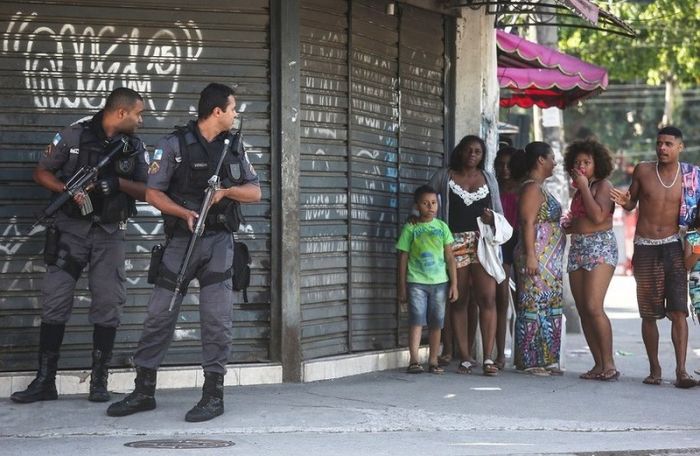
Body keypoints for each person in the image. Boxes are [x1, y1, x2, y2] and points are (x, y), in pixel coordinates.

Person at [107, 83, 262, 421]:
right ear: (217, 111)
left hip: (219, 243)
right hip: (181, 242)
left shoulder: (234, 147)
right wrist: (184, 213)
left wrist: (226, 193)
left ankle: (213, 395)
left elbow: (255, 192)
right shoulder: (173, 145)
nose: (236, 115)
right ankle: (144, 390)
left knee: (217, 320)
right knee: (159, 315)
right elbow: (152, 194)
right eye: (233, 108)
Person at [11, 88, 148, 404]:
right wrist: (67, 189)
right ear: (121, 113)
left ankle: (99, 381)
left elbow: (147, 191)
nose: (141, 121)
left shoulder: (134, 147)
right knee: (55, 299)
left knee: (109, 302)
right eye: (138, 114)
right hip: (70, 230)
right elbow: (40, 172)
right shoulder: (73, 137)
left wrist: (116, 184)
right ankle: (45, 381)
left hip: (109, 233)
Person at [610, 126, 698, 388]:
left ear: (680, 147)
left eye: (668, 144)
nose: (662, 148)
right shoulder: (644, 170)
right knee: (649, 313)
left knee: (679, 311)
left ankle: (681, 371)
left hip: (673, 245)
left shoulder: (692, 176)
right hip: (645, 246)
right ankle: (655, 369)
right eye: (659, 143)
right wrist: (624, 201)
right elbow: (631, 203)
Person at [428, 135, 505, 376]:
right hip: (454, 242)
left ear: (483, 156)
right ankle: (465, 357)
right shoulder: (445, 176)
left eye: (478, 151)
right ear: (459, 151)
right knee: (458, 300)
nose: (472, 154)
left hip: (482, 243)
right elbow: (424, 200)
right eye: (468, 150)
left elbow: (500, 213)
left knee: (487, 299)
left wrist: (493, 219)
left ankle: (488, 358)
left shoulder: (488, 179)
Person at [562, 139, 619, 381]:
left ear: (597, 163)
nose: (582, 166)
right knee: (584, 309)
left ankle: (609, 364)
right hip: (578, 248)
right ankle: (598, 364)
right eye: (577, 163)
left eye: (587, 162)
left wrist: (584, 187)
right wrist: (570, 224)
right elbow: (576, 223)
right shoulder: (577, 193)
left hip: (600, 248)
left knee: (595, 306)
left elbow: (597, 216)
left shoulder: (602, 186)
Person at [510, 142, 564, 376]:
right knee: (533, 305)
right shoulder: (532, 188)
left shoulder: (541, 188)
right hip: (537, 257)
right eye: (552, 158)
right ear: (541, 160)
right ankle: (530, 360)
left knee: (547, 306)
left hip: (549, 260)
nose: (555, 163)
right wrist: (531, 256)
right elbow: (526, 222)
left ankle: (545, 359)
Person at [397, 185, 459, 374]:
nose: (430, 207)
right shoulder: (410, 228)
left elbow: (450, 257)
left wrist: (454, 284)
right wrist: (401, 286)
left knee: (436, 322)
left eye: (433, 203)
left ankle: (433, 360)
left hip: (440, 283)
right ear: (417, 206)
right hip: (416, 281)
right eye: (425, 203)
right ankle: (414, 360)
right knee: (416, 321)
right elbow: (403, 257)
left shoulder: (442, 227)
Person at [494, 145, 519, 370]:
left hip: (519, 245)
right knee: (501, 302)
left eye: (509, 165)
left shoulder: (523, 189)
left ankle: (520, 352)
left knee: (520, 303)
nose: (505, 169)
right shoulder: (492, 187)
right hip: (498, 246)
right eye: (500, 164)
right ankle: (500, 354)